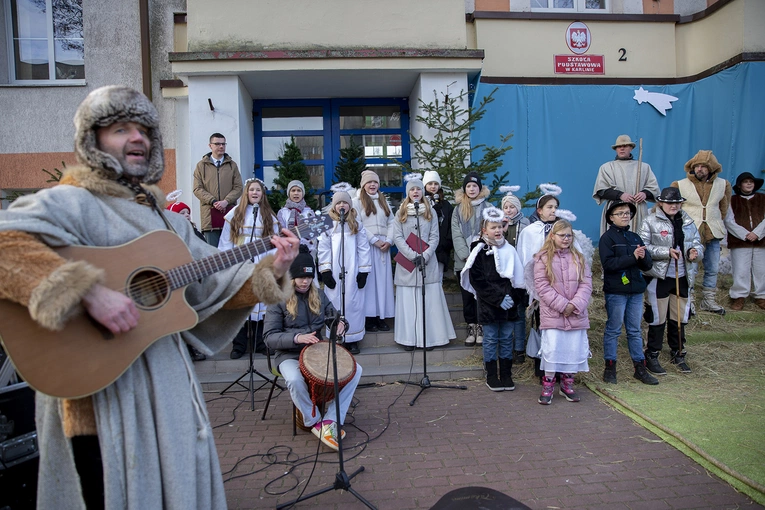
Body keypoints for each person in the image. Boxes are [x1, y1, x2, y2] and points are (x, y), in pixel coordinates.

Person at [0, 86, 298, 509]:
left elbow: (213, 284)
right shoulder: (70, 201)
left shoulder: (162, 218)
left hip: (166, 383)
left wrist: (274, 269)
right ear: (93, 139)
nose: (137, 138)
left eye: (144, 129)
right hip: (95, 393)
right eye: (121, 128)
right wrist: (85, 291)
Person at [263, 245, 362, 451]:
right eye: (300, 277)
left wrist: (341, 324)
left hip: (317, 352)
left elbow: (334, 317)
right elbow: (269, 338)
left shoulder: (318, 294)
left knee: (356, 370)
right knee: (293, 378)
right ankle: (314, 421)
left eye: (308, 277)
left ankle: (332, 420)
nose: (305, 281)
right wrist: (297, 338)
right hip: (288, 354)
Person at [638, 187, 703, 375]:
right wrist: (666, 252)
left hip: (683, 276)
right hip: (660, 276)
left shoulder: (688, 222)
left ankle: (678, 353)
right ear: (660, 203)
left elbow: (698, 244)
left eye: (676, 203)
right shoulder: (650, 221)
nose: (673, 206)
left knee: (679, 317)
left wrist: (695, 253)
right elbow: (644, 247)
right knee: (657, 317)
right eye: (669, 203)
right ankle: (652, 354)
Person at [461, 206, 525, 391]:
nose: (497, 230)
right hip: (489, 305)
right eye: (493, 227)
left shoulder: (510, 249)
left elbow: (518, 277)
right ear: (484, 230)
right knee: (490, 339)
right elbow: (477, 280)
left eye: (500, 227)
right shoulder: (479, 251)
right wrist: (497, 299)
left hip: (509, 305)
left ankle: (506, 374)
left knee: (506, 338)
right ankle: (491, 375)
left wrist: (513, 298)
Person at [393, 174, 456, 351]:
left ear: (422, 191)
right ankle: (409, 339)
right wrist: (412, 254)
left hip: (428, 262)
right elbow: (397, 237)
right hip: (407, 263)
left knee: (428, 302)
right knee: (409, 303)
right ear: (408, 192)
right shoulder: (400, 213)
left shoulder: (431, 213)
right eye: (412, 189)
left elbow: (435, 236)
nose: (415, 192)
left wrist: (426, 255)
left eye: (418, 189)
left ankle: (429, 339)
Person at [533, 220, 592, 405]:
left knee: (572, 349)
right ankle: (548, 385)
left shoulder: (579, 258)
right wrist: (562, 305)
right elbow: (542, 287)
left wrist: (574, 305)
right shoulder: (542, 258)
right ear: (553, 236)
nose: (566, 239)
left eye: (569, 235)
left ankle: (567, 385)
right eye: (562, 235)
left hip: (576, 313)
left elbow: (586, 283)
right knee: (553, 349)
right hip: (553, 315)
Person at [219, 178, 280, 359]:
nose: (255, 193)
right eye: (251, 190)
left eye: (258, 190)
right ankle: (239, 345)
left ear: (262, 194)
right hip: (240, 264)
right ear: (246, 193)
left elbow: (275, 245)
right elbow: (225, 241)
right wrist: (228, 265)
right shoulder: (234, 214)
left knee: (261, 305)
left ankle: (260, 343)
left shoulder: (269, 215)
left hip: (261, 265)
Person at [599, 201, 658, 385]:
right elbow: (608, 265)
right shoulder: (607, 239)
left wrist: (643, 256)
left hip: (636, 290)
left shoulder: (635, 237)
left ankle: (639, 368)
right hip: (616, 290)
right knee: (614, 329)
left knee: (634, 330)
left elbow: (647, 265)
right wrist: (632, 257)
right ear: (611, 217)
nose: (625, 216)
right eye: (621, 213)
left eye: (627, 213)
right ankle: (610, 368)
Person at [671, 150, 732, 315]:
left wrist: (715, 221)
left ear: (711, 168)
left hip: (713, 232)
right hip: (690, 232)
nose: (700, 169)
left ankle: (708, 300)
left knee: (712, 268)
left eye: (703, 167)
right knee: (690, 268)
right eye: (697, 166)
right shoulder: (680, 184)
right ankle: (688, 300)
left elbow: (724, 207)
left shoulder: (722, 185)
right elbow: (672, 208)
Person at [317, 183, 371, 355]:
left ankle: (353, 338)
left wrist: (363, 271)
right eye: (339, 203)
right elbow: (323, 248)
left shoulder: (356, 224)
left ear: (350, 205)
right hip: (334, 272)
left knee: (353, 304)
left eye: (345, 203)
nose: (342, 206)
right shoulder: (327, 224)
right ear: (334, 205)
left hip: (353, 271)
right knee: (334, 304)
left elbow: (364, 248)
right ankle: (337, 336)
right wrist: (325, 271)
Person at [352, 170, 395, 332]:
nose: (372, 185)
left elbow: (392, 222)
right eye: (369, 182)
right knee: (370, 284)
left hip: (383, 248)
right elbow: (357, 223)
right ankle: (369, 317)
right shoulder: (357, 202)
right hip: (368, 246)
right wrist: (374, 240)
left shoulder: (384, 201)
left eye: (375, 182)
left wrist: (389, 240)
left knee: (382, 283)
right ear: (363, 185)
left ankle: (381, 316)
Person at [451, 171, 491, 346]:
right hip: (464, 260)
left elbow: (491, 231)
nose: (472, 189)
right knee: (467, 295)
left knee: (482, 294)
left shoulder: (488, 208)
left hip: (482, 259)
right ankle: (471, 326)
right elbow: (456, 233)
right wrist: (465, 255)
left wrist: (478, 253)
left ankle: (481, 326)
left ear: (480, 188)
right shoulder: (458, 209)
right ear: (465, 189)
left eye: (475, 186)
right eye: (469, 186)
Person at [592, 134, 660, 236]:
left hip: (637, 208)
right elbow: (601, 191)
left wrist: (645, 193)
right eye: (619, 146)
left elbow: (654, 188)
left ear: (631, 148)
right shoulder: (606, 167)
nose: (622, 148)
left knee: (639, 238)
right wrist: (620, 195)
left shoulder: (643, 167)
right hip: (616, 209)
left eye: (625, 146)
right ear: (616, 149)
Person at [166, 199, 207, 361]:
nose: (187, 215)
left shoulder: (195, 232)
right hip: (176, 282)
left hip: (194, 281)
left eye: (188, 213)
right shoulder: (169, 235)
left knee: (194, 316)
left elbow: (204, 251)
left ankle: (195, 347)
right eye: (182, 213)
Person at [193, 132, 243, 247]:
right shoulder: (201, 166)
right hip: (210, 218)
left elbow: (238, 187)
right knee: (213, 253)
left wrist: (226, 201)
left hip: (229, 215)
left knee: (231, 252)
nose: (221, 146)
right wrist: (214, 202)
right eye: (217, 144)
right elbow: (197, 188)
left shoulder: (232, 165)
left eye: (223, 144)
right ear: (210, 146)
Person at [724, 172, 765, 310]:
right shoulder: (732, 200)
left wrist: (757, 233)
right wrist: (746, 234)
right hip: (740, 241)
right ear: (740, 185)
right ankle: (739, 296)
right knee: (741, 269)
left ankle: (761, 296)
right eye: (746, 181)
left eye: (751, 182)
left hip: (761, 240)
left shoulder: (762, 198)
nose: (749, 184)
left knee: (761, 269)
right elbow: (729, 220)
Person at [500, 187, 530, 363]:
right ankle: (506, 347)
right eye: (506, 207)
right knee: (506, 312)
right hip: (505, 276)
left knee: (518, 313)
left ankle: (519, 348)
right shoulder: (500, 225)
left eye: (512, 207)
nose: (509, 210)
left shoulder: (525, 224)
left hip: (519, 275)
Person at [423, 170, 454, 280]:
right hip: (424, 249)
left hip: (441, 250)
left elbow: (451, 225)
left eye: (436, 184)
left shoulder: (446, 205)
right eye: (430, 184)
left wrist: (446, 243)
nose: (433, 186)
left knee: (437, 280)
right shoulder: (421, 204)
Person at [277, 179, 316, 253]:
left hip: (306, 250)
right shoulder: (282, 212)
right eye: (293, 190)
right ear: (289, 193)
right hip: (288, 250)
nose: (296, 193)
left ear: (302, 193)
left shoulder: (309, 212)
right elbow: (281, 232)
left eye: (299, 190)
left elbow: (313, 234)